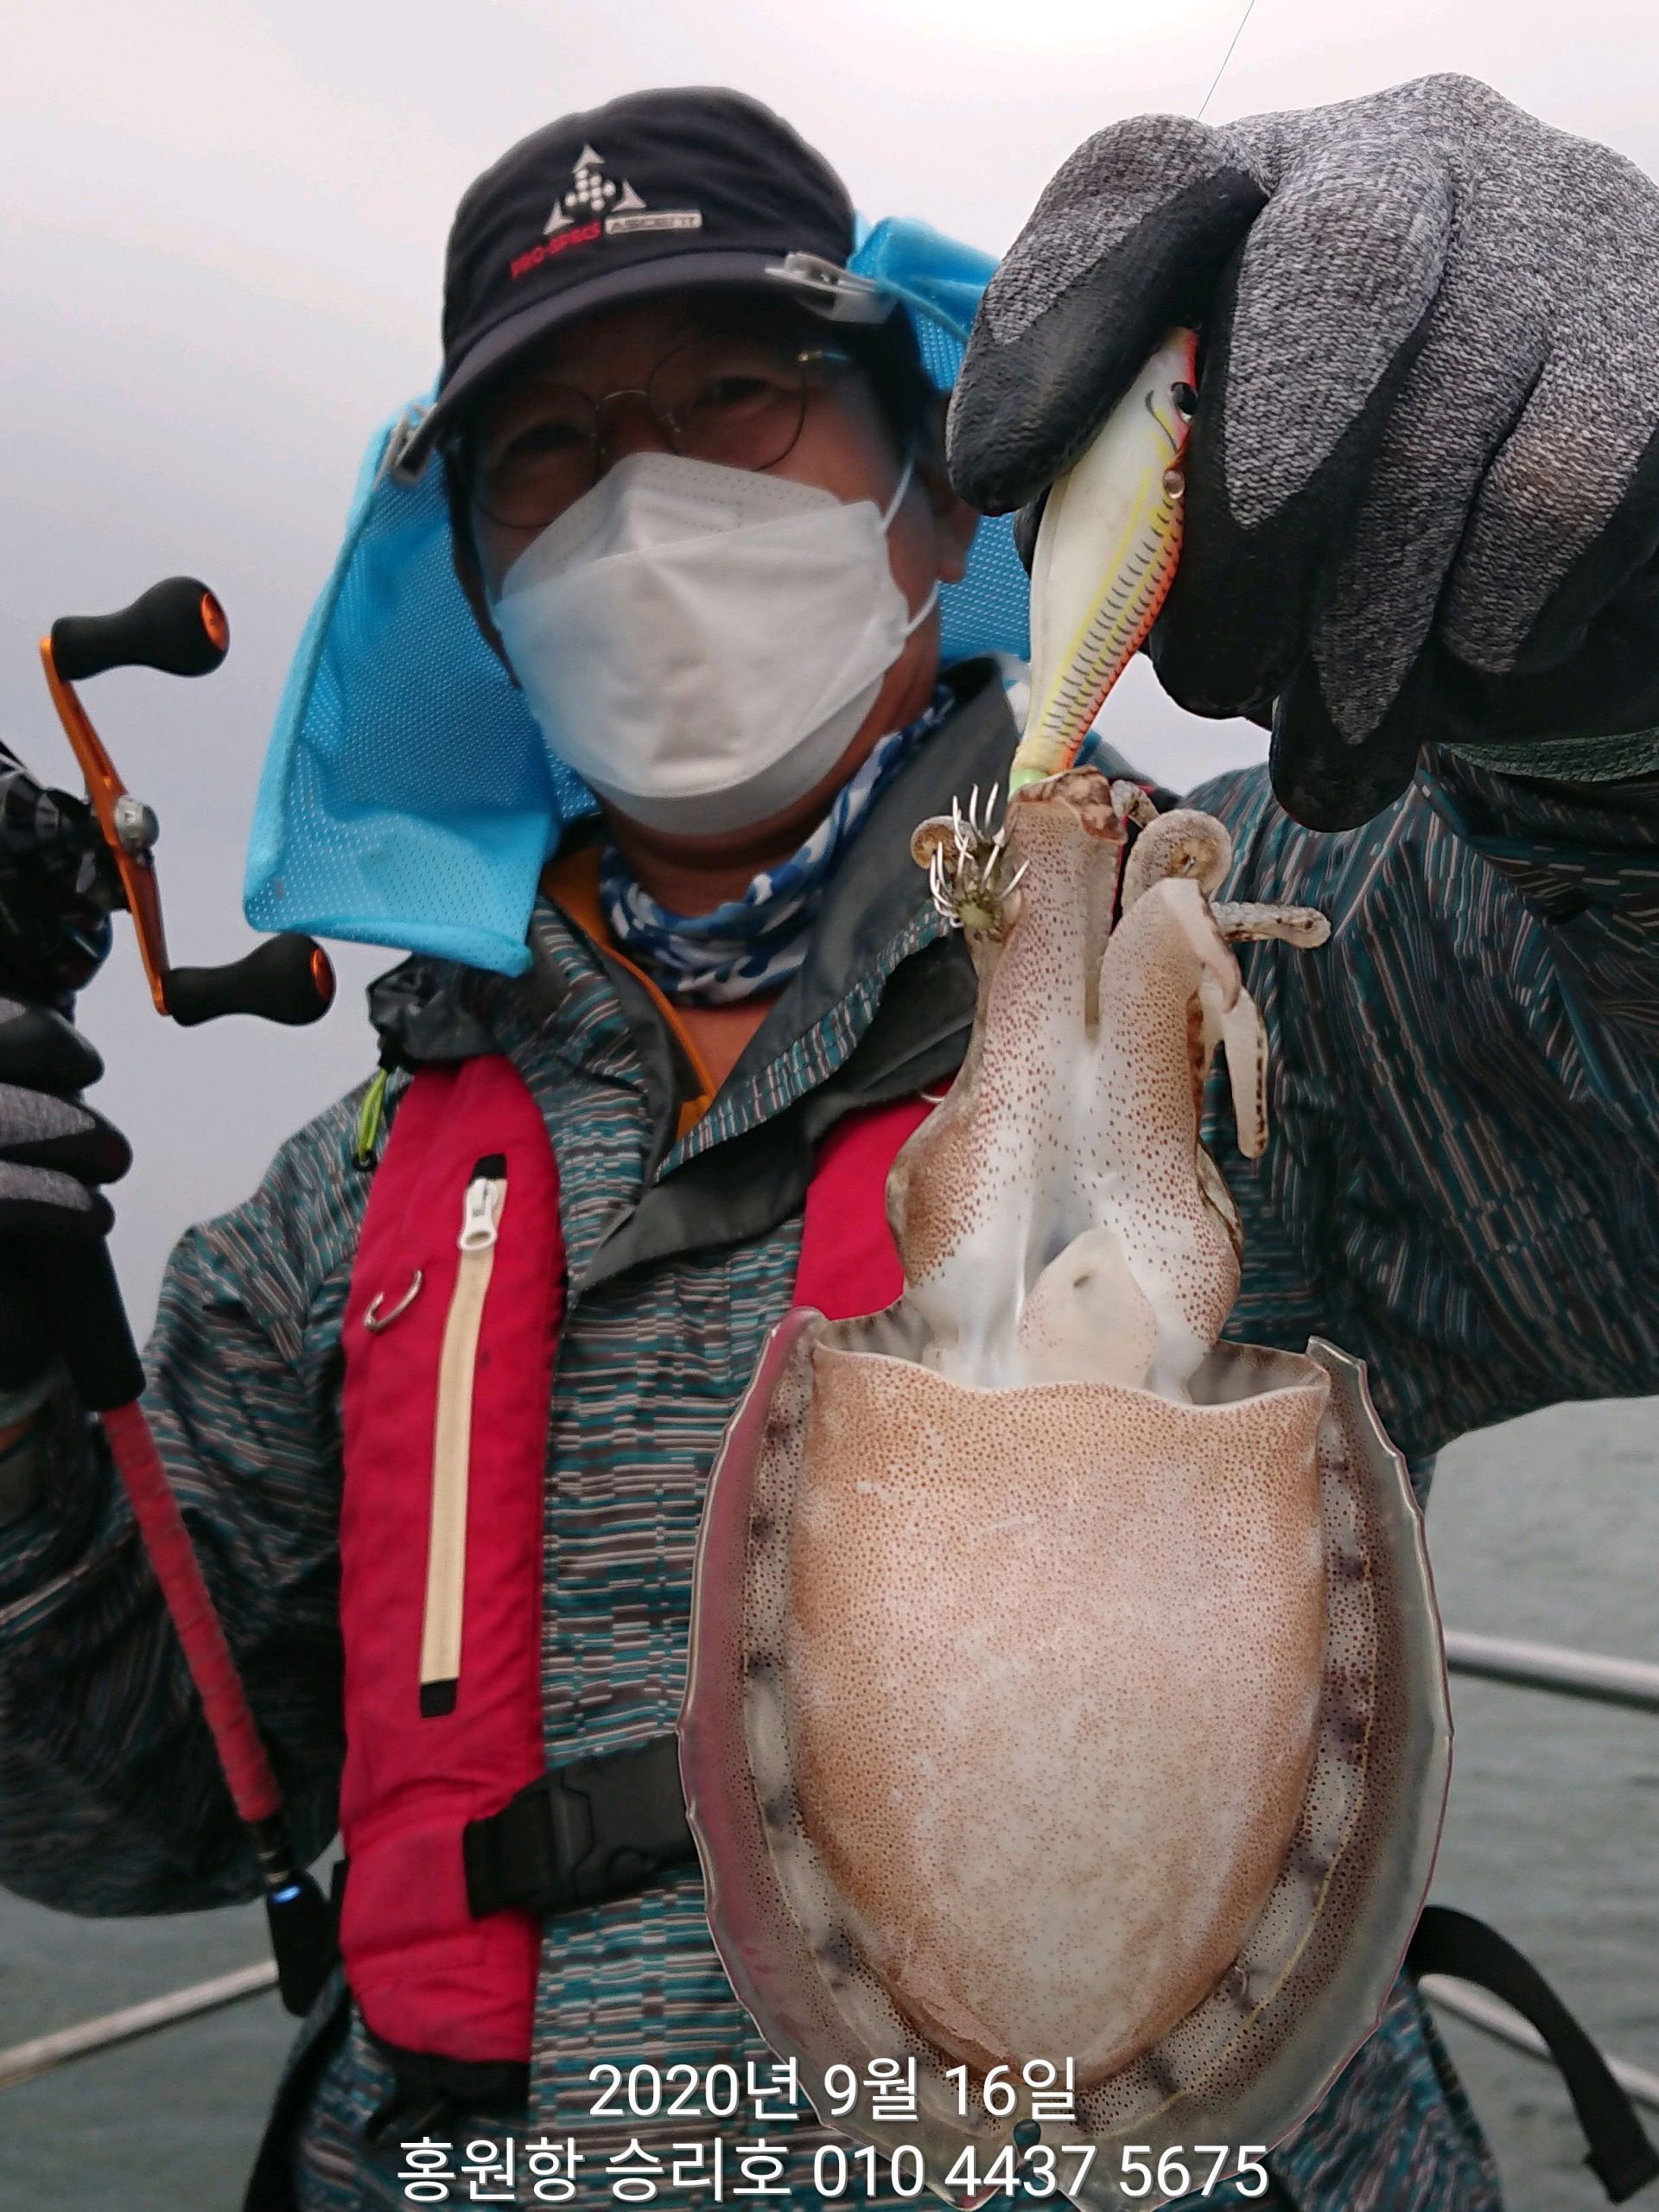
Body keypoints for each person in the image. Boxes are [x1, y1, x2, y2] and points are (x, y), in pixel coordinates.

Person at [1, 74, 1656, 2212]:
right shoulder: (343, 1207)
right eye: (553, 455)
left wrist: (1611, 691)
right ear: (484, 587)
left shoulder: (1298, 944)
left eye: (738, 394)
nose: (644, 497)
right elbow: (122, 1793)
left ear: (931, 482)